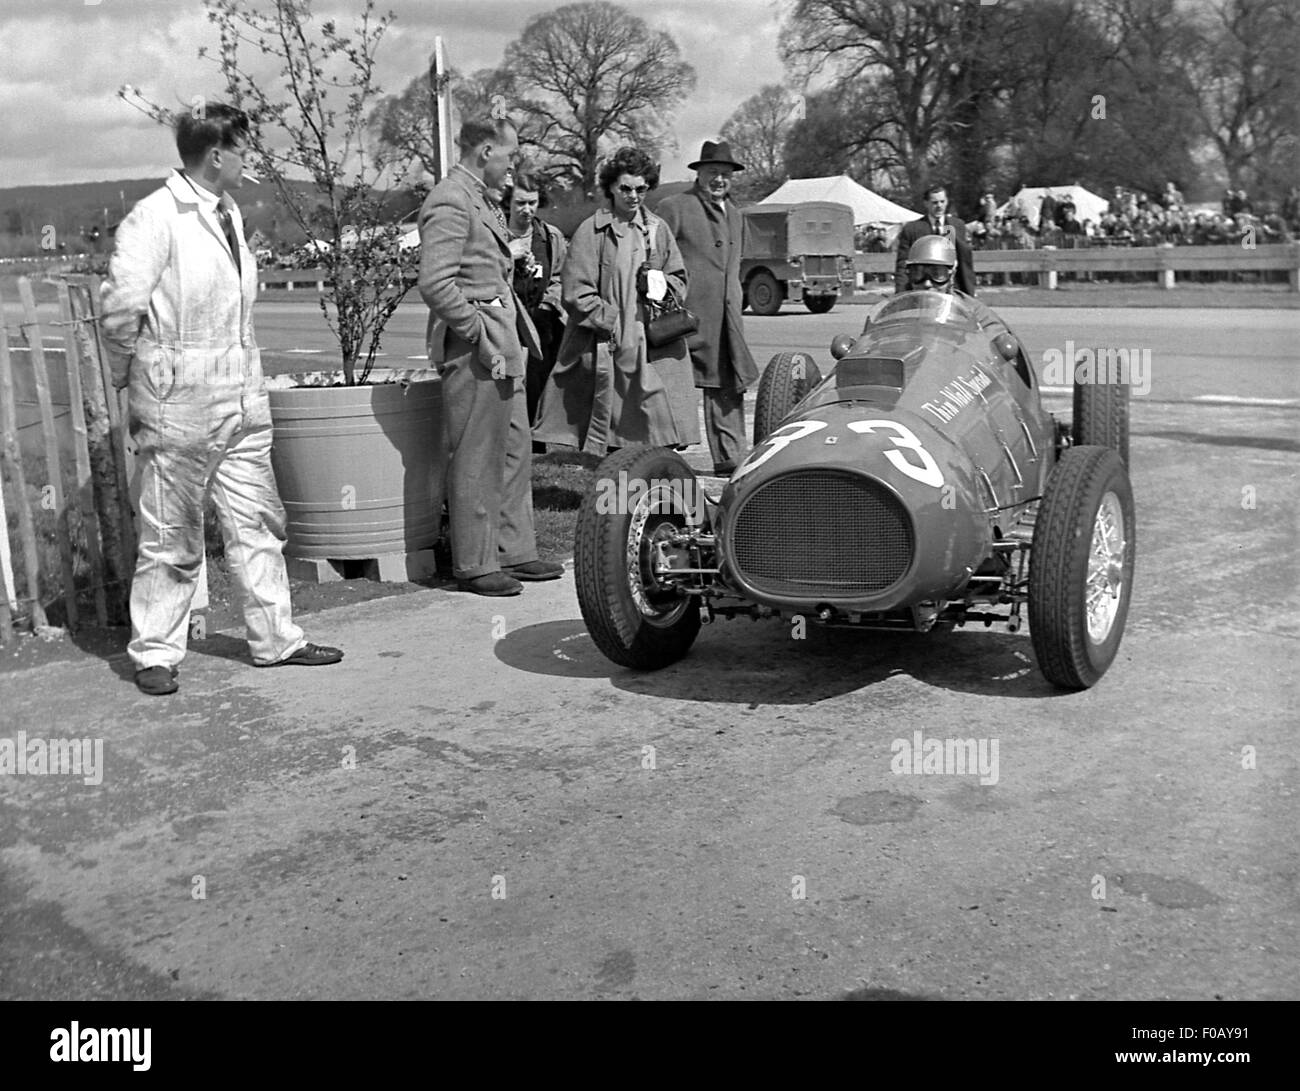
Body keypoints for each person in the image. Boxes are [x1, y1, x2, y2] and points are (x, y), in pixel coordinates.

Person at [99, 104, 342, 696]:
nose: (248, 160)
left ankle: (276, 638)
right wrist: (146, 375)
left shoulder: (228, 212)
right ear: (216, 154)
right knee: (173, 535)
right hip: (179, 404)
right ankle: (156, 652)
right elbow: (117, 311)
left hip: (241, 398)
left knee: (258, 522)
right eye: (243, 149)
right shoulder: (154, 218)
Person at [417, 116, 563, 597]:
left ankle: (514, 549)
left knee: (514, 448)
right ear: (484, 151)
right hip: (476, 345)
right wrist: (477, 331)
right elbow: (436, 282)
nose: (512, 165)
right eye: (508, 155)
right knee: (476, 453)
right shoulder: (450, 200)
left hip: (502, 340)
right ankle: (475, 561)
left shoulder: (480, 199)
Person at [533, 146, 698, 456]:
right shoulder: (591, 231)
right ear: (610, 187)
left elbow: (680, 279)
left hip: (650, 343)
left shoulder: (657, 230)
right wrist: (607, 320)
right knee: (608, 422)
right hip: (606, 343)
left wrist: (661, 285)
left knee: (657, 421)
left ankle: (651, 484)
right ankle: (610, 483)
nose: (633, 196)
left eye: (641, 188)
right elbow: (575, 291)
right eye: (625, 188)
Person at [656, 140, 758, 476]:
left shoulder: (737, 215)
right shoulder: (676, 207)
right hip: (682, 319)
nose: (719, 180)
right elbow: (654, 260)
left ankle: (731, 459)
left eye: (725, 174)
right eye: (712, 172)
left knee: (728, 384)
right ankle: (660, 459)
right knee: (670, 386)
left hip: (726, 320)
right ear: (699, 174)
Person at [499, 170, 567, 448]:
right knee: (503, 382)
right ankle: (506, 439)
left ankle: (534, 442)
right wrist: (507, 256)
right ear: (508, 204)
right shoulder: (496, 236)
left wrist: (549, 305)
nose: (527, 210)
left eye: (532, 203)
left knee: (539, 384)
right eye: (520, 203)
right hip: (505, 324)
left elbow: (562, 277)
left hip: (541, 324)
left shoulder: (550, 237)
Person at [894, 184, 976, 296]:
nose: (939, 206)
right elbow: (903, 265)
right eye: (935, 202)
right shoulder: (912, 229)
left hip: (951, 289)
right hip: (922, 288)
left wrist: (970, 293)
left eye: (942, 201)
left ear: (947, 202)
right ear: (926, 203)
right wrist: (900, 294)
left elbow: (964, 263)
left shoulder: (955, 226)